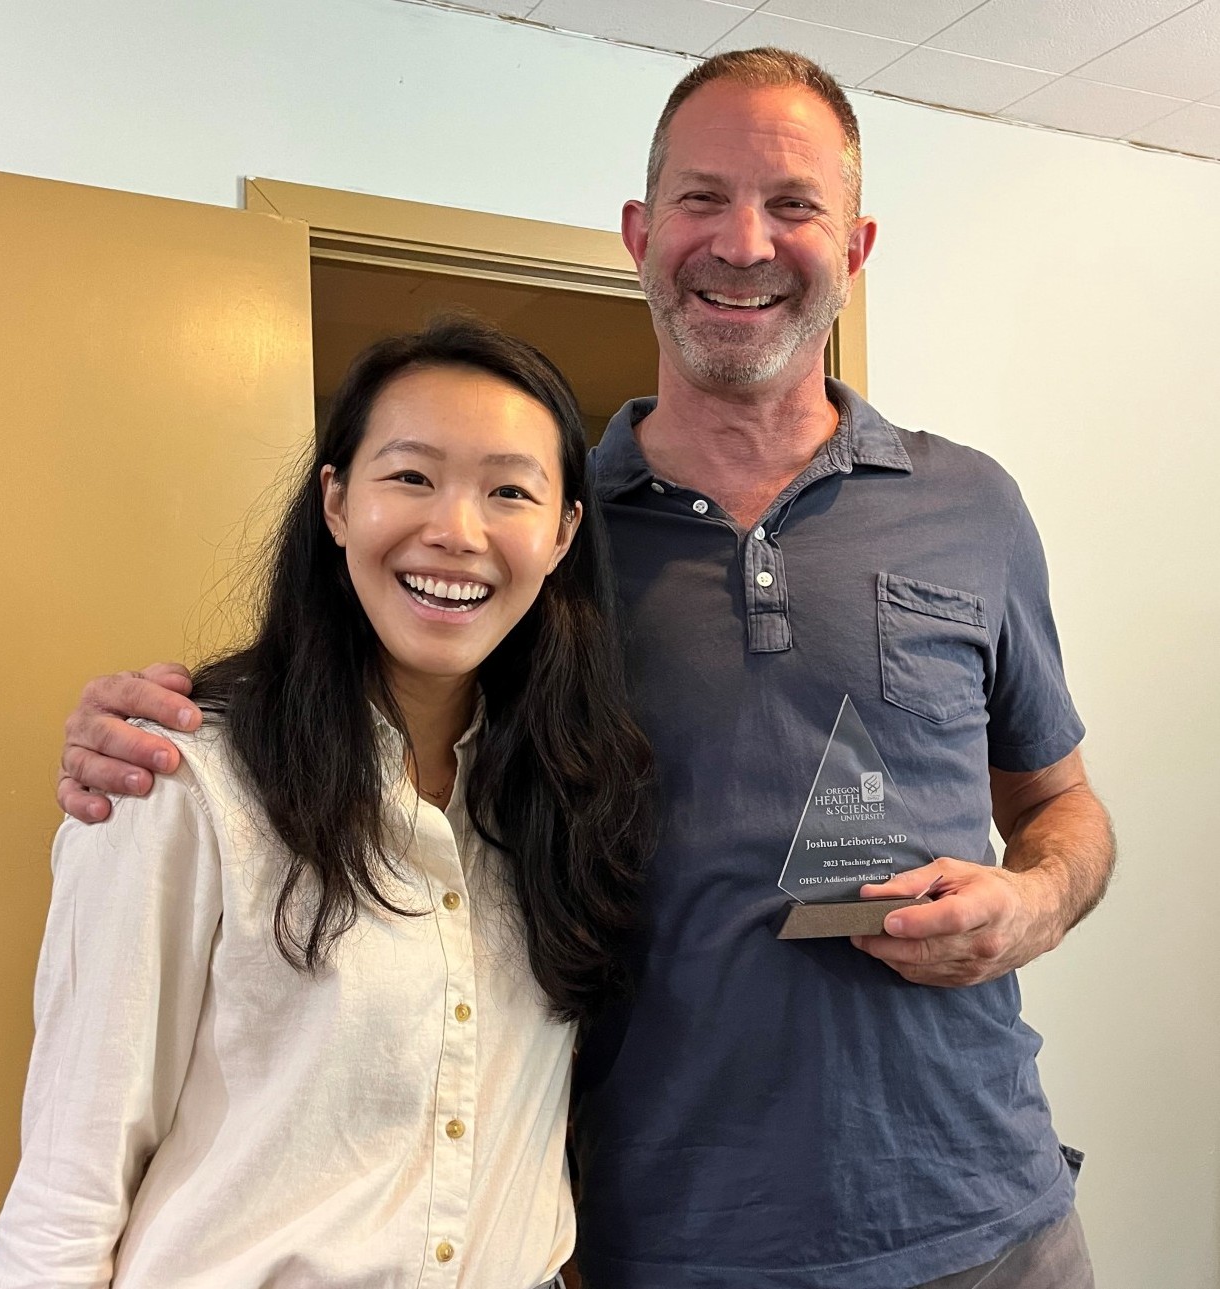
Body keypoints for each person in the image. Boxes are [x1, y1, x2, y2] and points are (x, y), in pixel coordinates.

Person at [55, 48, 1114, 1289]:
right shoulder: (543, 542)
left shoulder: (971, 504)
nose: (743, 242)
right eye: (701, 198)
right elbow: (376, 699)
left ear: (855, 245)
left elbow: (1058, 802)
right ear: (638, 232)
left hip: (989, 1222)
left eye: (791, 205)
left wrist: (1032, 903)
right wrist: (174, 728)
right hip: (661, 1241)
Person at [0, 316, 656, 1288]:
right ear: (336, 502)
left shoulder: (568, 796)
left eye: (509, 490)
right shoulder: (183, 782)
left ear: (562, 535)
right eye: (411, 475)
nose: (456, 530)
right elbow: (67, 1187)